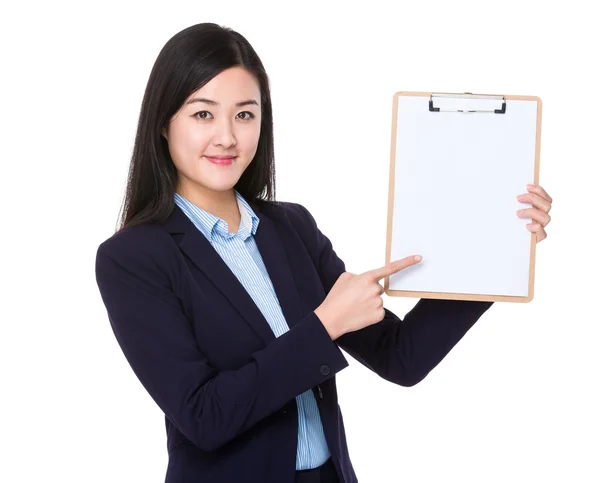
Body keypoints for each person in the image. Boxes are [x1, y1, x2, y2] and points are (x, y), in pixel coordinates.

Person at [94, 22, 553, 483]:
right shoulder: (133, 258)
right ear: (163, 122)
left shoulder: (290, 227)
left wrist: (495, 246)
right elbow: (204, 416)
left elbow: (402, 357)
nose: (227, 137)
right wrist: (326, 324)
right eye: (202, 115)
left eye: (245, 114)